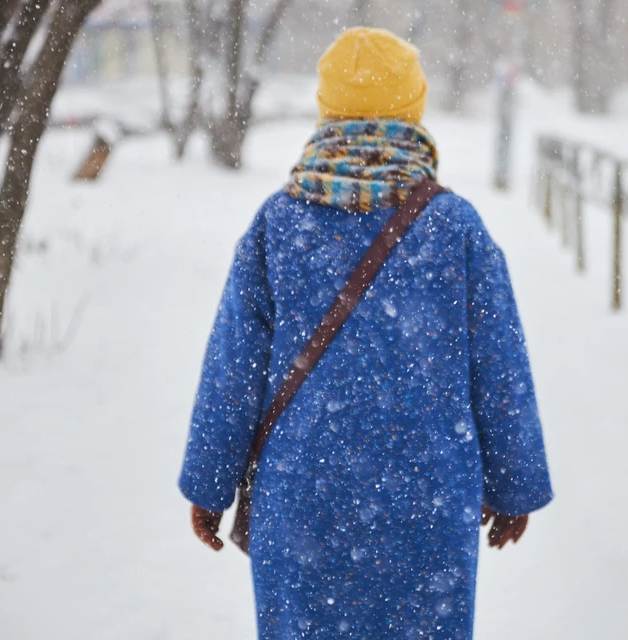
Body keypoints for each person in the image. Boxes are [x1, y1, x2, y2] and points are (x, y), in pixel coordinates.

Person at [178, 26, 552, 640]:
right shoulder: (454, 228)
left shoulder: (279, 223)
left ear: (327, 111)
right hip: (426, 497)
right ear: (414, 107)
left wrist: (209, 481)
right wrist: (513, 484)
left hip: (302, 496)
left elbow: (234, 367)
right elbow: (499, 366)